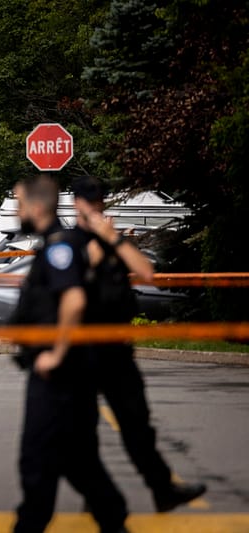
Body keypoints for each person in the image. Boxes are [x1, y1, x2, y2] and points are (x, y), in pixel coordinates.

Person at [71, 176, 207, 513]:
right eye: (89, 201)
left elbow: (146, 272)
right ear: (76, 204)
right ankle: (95, 494)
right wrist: (98, 245)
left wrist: (113, 240)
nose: (95, 207)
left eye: (99, 201)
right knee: (82, 429)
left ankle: (162, 490)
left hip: (116, 348)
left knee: (136, 424)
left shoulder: (114, 240)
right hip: (84, 349)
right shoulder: (69, 242)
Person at [10, 174, 129, 533]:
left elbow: (74, 299)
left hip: (58, 377)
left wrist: (56, 354)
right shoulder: (56, 243)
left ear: (36, 207)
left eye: (19, 204)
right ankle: (113, 518)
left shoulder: (58, 248)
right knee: (76, 460)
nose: (17, 211)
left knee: (37, 458)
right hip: (67, 376)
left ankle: (31, 524)